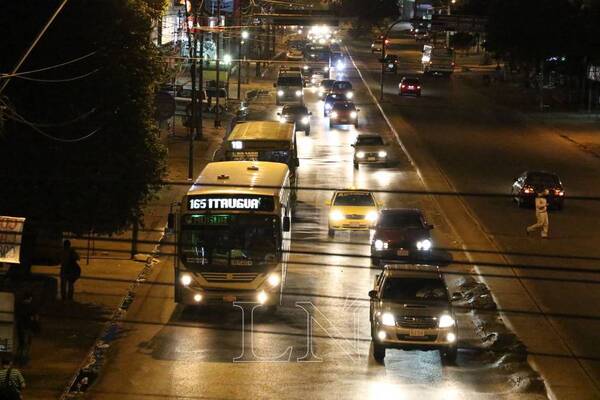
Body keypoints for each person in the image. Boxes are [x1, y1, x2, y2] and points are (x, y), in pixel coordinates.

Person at [15, 291, 38, 365]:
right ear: (30, 298)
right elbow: (34, 318)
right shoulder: (31, 307)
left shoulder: (18, 305)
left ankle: (17, 359)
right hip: (27, 327)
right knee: (26, 344)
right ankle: (23, 360)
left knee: (21, 344)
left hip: (19, 327)